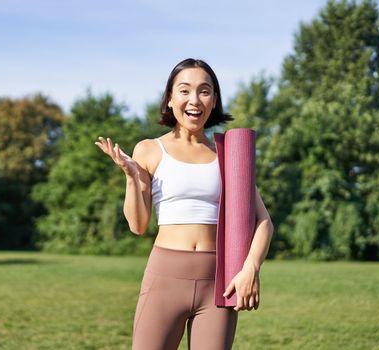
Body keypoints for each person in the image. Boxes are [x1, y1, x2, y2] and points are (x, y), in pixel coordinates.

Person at [94, 58, 274, 350]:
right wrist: (131, 177)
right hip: (164, 278)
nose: (195, 100)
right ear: (170, 98)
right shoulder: (150, 149)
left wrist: (250, 268)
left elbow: (263, 221)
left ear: (214, 100)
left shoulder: (229, 154)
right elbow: (138, 226)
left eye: (205, 91)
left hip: (218, 282)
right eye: (184, 90)